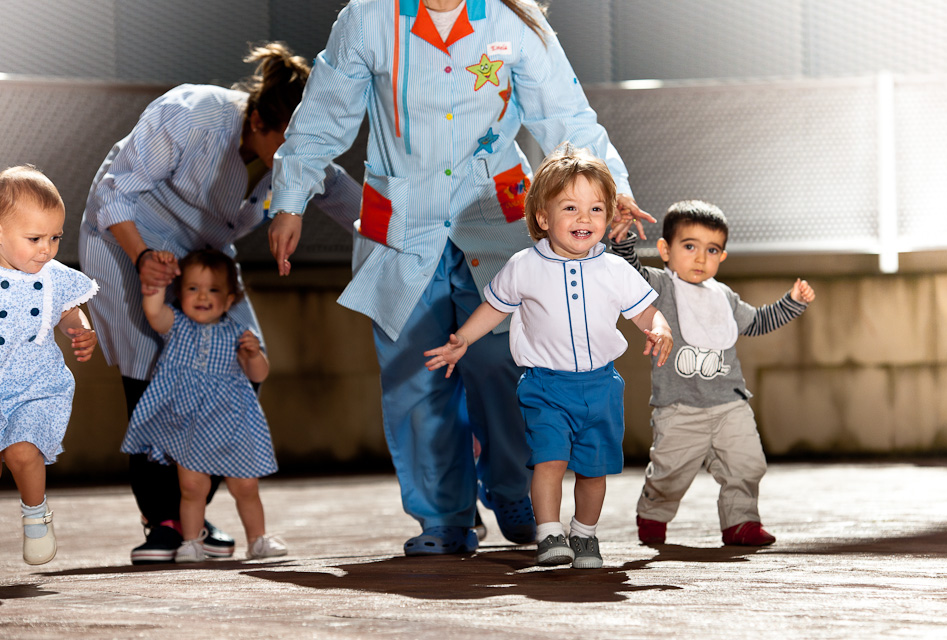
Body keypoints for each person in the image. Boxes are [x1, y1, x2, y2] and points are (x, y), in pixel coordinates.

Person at [267, 0, 656, 556]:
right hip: (402, 221)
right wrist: (290, 198)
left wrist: (611, 189)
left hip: (495, 218)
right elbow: (325, 111)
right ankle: (444, 518)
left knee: (508, 363)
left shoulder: (515, 21)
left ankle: (516, 488)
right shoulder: (367, 18)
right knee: (414, 379)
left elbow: (565, 115)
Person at [78, 42, 362, 564]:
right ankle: (163, 521)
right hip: (127, 237)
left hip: (206, 260)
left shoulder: (299, 156)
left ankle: (190, 502)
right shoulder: (194, 114)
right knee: (153, 371)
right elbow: (115, 191)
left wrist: (424, 245)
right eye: (288, 144)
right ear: (256, 119)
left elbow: (353, 206)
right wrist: (142, 257)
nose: (300, 159)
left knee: (242, 365)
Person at [425, 145, 673, 567]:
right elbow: (494, 307)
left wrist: (661, 329)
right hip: (545, 386)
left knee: (594, 472)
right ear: (543, 217)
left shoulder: (614, 269)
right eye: (571, 207)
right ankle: (549, 533)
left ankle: (585, 535)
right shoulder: (524, 265)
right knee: (549, 460)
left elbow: (647, 311)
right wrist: (463, 338)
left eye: (597, 209)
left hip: (600, 386)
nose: (585, 219)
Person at [611, 200, 816, 547]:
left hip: (729, 404)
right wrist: (622, 241)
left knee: (747, 463)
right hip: (678, 407)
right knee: (669, 473)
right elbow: (629, 277)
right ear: (665, 249)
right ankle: (653, 509)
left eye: (712, 249)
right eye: (689, 246)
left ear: (722, 257)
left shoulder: (724, 297)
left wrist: (792, 302)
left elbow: (759, 321)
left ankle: (741, 521)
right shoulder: (661, 287)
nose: (700, 257)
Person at [120, 249, 286, 562]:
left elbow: (259, 374)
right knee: (193, 485)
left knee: (246, 485)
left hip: (232, 423)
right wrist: (154, 287)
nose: (202, 296)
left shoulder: (239, 333)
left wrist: (253, 356)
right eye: (193, 288)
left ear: (230, 299)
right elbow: (154, 314)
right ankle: (191, 542)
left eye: (213, 290)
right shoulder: (177, 325)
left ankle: (258, 539)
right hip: (189, 423)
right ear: (180, 294)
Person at [0, 165, 99, 565]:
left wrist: (80, 329)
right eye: (35, 238)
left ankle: (36, 514)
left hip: (34, 384)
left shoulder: (53, 275)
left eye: (55, 237)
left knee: (24, 452)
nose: (47, 249)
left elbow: (68, 311)